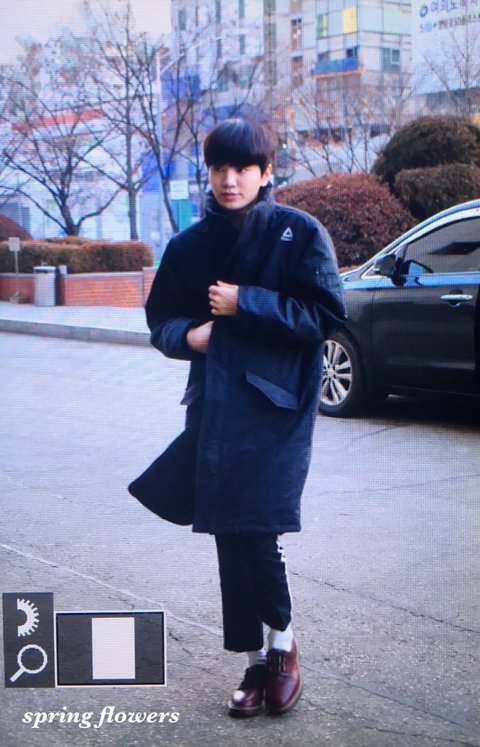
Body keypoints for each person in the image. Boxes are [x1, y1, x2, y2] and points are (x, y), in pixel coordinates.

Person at [140, 118, 346, 717]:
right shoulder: (189, 246)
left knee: (256, 528)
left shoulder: (298, 232)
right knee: (229, 532)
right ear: (208, 173)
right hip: (213, 406)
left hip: (277, 408)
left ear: (266, 172)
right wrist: (191, 337)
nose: (230, 180)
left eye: (243, 169)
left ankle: (284, 646)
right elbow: (161, 322)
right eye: (219, 168)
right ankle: (255, 660)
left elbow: (325, 316)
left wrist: (244, 303)